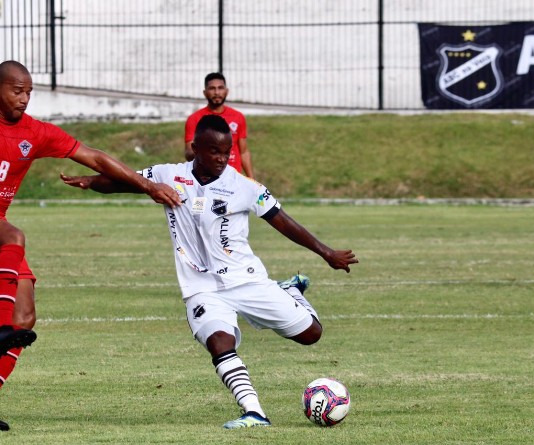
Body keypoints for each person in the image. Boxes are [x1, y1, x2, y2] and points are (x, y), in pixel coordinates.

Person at [0, 60, 181, 431]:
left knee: (24, 316)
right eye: (17, 91)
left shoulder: (36, 132)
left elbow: (94, 156)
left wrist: (148, 186)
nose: (24, 98)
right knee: (13, 236)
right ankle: (0, 329)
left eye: (29, 92)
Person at [60, 114, 357, 429]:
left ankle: (291, 291)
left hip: (247, 280)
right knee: (219, 340)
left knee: (312, 334)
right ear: (194, 148)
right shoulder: (168, 175)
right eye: (214, 151)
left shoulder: (243, 187)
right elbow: (126, 181)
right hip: (201, 287)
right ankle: (254, 412)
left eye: (227, 151)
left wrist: (326, 252)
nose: (222, 158)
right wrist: (91, 182)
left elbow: (282, 220)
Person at [184, 72, 254, 178]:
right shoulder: (194, 119)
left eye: (220, 88)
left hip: (232, 179)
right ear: (205, 92)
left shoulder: (238, 117)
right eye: (212, 88)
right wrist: (208, 152)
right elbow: (189, 152)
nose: (217, 92)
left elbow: (243, 152)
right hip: (206, 179)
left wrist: (251, 179)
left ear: (226, 91)